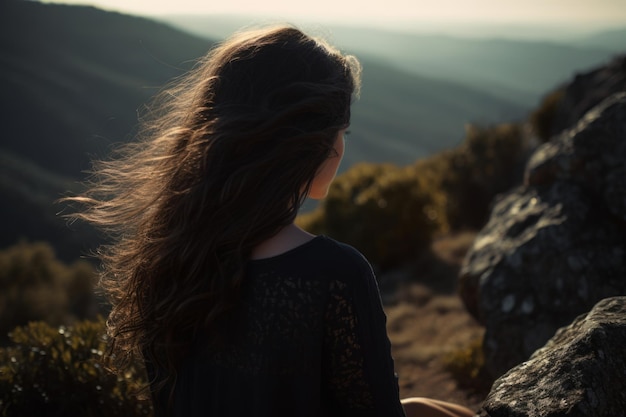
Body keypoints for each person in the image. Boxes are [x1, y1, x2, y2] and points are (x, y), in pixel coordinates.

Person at [70, 25, 475, 417]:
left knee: (423, 409)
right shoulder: (335, 275)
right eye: (343, 133)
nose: (341, 147)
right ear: (309, 142)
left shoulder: (168, 258)